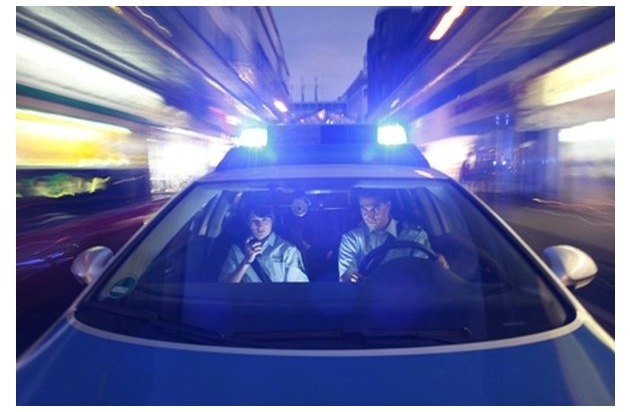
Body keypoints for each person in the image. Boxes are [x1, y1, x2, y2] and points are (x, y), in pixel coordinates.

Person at [338, 190, 449, 283]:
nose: (369, 215)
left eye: (376, 208)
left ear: (388, 206)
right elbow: (347, 278)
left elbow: (422, 274)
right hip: (367, 298)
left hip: (407, 297)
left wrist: (439, 268)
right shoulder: (351, 239)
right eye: (364, 209)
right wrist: (352, 278)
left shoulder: (414, 236)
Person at [219, 205, 309, 283]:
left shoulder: (287, 250)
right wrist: (246, 262)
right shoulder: (237, 250)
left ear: (272, 221)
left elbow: (297, 289)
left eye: (265, 220)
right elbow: (224, 287)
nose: (260, 226)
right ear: (248, 222)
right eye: (255, 220)